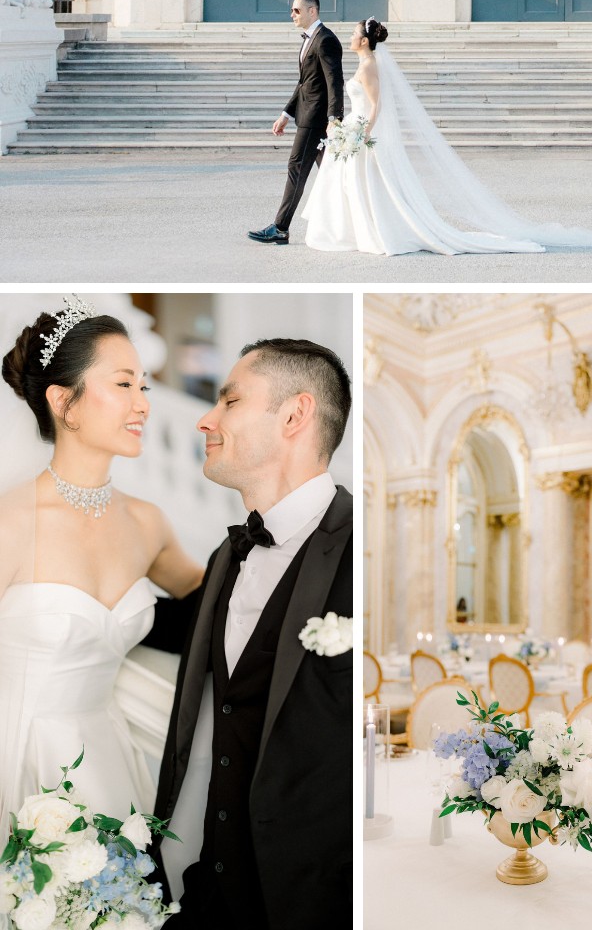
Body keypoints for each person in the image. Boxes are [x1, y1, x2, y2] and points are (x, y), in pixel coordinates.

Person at [153, 336, 352, 930]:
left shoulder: (364, 551)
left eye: (230, 401)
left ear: (294, 416)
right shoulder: (225, 556)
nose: (205, 420)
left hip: (318, 900)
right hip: (214, 893)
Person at [0, 299, 203, 831]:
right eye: (123, 385)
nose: (142, 404)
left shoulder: (146, 524)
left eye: (145, 386)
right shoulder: (10, 523)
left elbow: (214, 608)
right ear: (63, 401)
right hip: (18, 765)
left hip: (109, 766)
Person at [299, 17, 592, 255]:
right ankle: (355, 231)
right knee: (353, 184)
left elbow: (377, 105)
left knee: (367, 184)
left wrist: (362, 135)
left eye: (355, 33)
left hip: (361, 133)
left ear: (365, 41)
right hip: (353, 131)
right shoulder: (364, 62)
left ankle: (374, 231)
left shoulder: (369, 66)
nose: (351, 37)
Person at [249, 0, 344, 245]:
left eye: (297, 10)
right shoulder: (309, 39)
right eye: (292, 10)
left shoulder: (326, 40)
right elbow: (304, 83)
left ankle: (280, 228)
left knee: (296, 167)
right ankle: (355, 224)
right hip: (306, 114)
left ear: (313, 11)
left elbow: (335, 81)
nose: (292, 14)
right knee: (334, 173)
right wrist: (285, 113)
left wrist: (335, 118)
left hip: (316, 119)